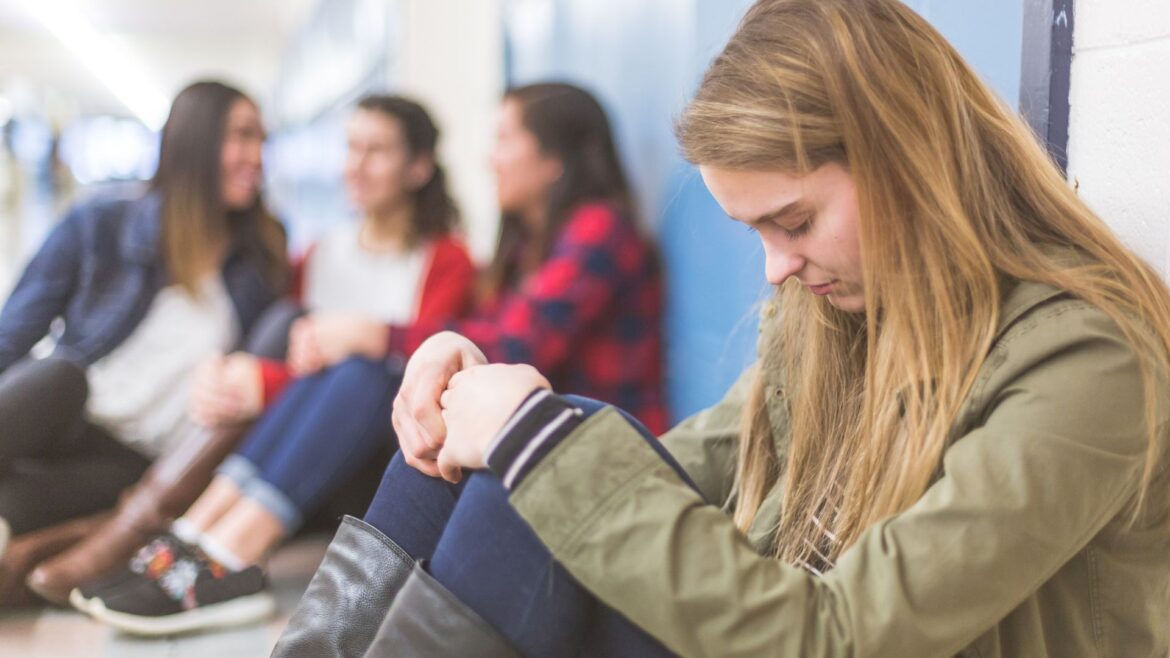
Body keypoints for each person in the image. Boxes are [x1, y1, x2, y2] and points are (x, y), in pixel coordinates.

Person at [276, 1, 1170, 656]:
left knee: (542, 464)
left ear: (913, 163)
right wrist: (484, 408)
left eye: (794, 220)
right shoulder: (840, 319)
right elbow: (652, 462)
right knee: (497, 465)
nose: (776, 269)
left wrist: (531, 435)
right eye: (758, 234)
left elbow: (842, 639)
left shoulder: (1086, 363)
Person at [82, 82, 666, 636]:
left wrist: (370, 335)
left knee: (366, 372)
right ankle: (197, 540)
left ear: (556, 159)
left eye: (505, 139)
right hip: (508, 444)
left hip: (571, 452)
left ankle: (226, 556)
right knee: (348, 365)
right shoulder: (527, 245)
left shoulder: (596, 232)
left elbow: (513, 346)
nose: (490, 158)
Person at [0, 81, 288, 606]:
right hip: (66, 413)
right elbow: (13, 332)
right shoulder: (100, 224)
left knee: (13, 505)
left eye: (261, 139)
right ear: (195, 142)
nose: (257, 157)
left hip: (135, 462)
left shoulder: (259, 264)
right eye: (242, 137)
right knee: (56, 376)